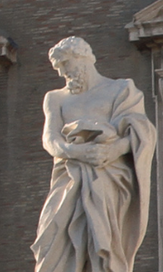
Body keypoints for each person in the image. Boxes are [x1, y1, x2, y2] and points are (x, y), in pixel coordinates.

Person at [32, 36, 155, 272]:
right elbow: (50, 139)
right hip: (69, 177)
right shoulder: (55, 98)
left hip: (109, 177)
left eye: (65, 64)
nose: (62, 73)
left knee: (103, 244)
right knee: (52, 235)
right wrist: (77, 152)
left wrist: (111, 150)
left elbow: (142, 132)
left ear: (83, 58)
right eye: (58, 68)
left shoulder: (120, 89)